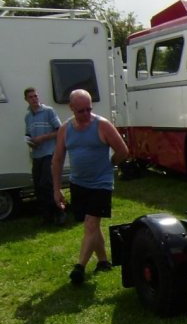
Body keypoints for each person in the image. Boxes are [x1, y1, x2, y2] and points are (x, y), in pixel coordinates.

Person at [52, 89, 129, 285]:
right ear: (71, 108)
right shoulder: (65, 129)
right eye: (81, 111)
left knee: (91, 224)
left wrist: (110, 164)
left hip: (101, 183)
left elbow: (123, 150)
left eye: (89, 109)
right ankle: (103, 261)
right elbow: (58, 159)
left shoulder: (102, 125)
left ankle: (79, 267)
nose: (86, 114)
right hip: (78, 183)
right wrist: (56, 189)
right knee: (92, 225)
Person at [23, 87, 64, 224]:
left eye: (35, 96)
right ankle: (47, 216)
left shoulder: (48, 111)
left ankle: (60, 212)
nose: (34, 99)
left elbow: (60, 131)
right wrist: (31, 143)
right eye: (31, 97)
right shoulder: (28, 117)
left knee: (47, 184)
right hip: (36, 155)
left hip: (49, 152)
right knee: (38, 186)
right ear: (26, 100)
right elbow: (28, 135)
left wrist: (43, 138)